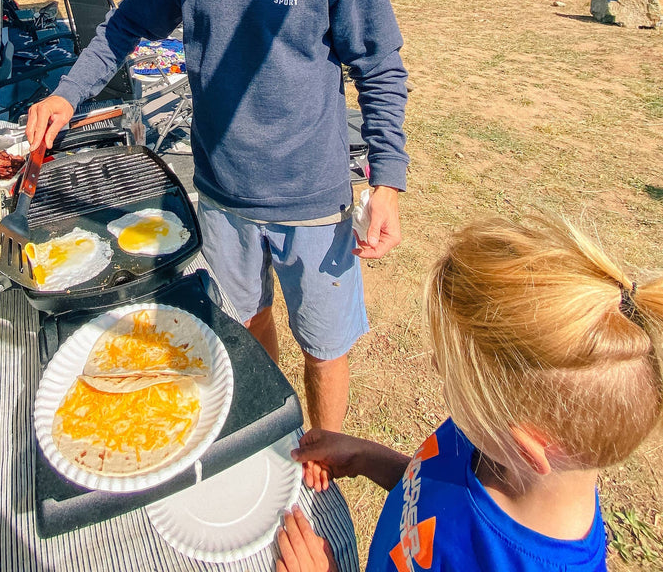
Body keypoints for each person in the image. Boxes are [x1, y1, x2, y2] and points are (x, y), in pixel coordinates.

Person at [26, 0, 409, 430]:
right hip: (223, 194)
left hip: (311, 200)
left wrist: (388, 183)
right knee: (247, 316)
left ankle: (323, 451)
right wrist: (66, 93)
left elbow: (378, 67)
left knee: (324, 344)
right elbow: (121, 28)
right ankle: (271, 418)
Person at [274, 212, 663, 571]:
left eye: (453, 380)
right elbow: (433, 491)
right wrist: (365, 457)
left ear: (526, 445)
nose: (437, 370)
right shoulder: (493, 441)